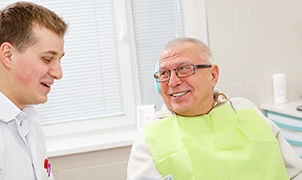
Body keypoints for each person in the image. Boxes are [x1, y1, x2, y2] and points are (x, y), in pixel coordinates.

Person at [127, 37, 302, 180]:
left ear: (213, 75)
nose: (173, 82)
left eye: (184, 69)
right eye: (164, 74)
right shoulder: (150, 138)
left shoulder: (245, 111)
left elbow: (295, 173)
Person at [0, 2, 67, 179]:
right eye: (47, 59)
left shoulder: (28, 122)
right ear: (8, 55)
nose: (58, 73)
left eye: (59, 60)